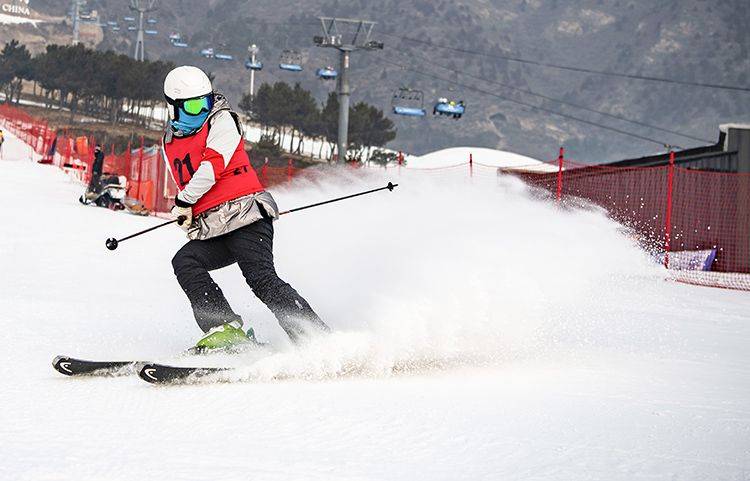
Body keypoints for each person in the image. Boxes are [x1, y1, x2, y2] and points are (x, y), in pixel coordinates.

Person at [162, 65, 329, 351]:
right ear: (173, 108)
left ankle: (316, 339)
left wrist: (184, 202)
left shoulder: (221, 121)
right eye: (191, 106)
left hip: (248, 217)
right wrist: (190, 214)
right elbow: (185, 184)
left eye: (204, 102)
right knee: (186, 261)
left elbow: (211, 167)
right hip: (216, 228)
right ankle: (223, 327)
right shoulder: (170, 143)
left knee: (260, 278)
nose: (201, 110)